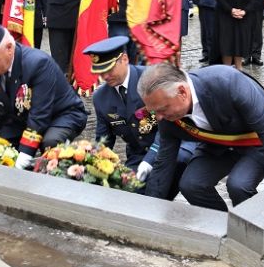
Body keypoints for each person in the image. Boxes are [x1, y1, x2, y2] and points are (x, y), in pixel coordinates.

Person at [137, 63, 264, 212]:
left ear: (182, 92)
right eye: (154, 112)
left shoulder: (227, 82)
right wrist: (152, 210)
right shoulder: (168, 116)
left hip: (260, 141)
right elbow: (164, 161)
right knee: (191, 184)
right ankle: (223, 226)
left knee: (239, 185)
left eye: (162, 109)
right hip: (219, 145)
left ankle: (255, 229)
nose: (158, 118)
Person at [0, 20, 88, 169]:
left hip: (62, 114)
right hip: (22, 118)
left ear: (9, 48)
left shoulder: (38, 64)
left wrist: (23, 156)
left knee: (50, 143)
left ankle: (55, 182)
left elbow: (39, 116)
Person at [83, 37, 196, 195]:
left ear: (124, 59)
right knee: (129, 192)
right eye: (100, 72)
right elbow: (104, 139)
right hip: (138, 153)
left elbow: (168, 126)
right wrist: (90, 163)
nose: (105, 76)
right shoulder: (101, 97)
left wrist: (149, 161)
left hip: (175, 145)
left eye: (109, 69)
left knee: (159, 186)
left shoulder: (151, 81)